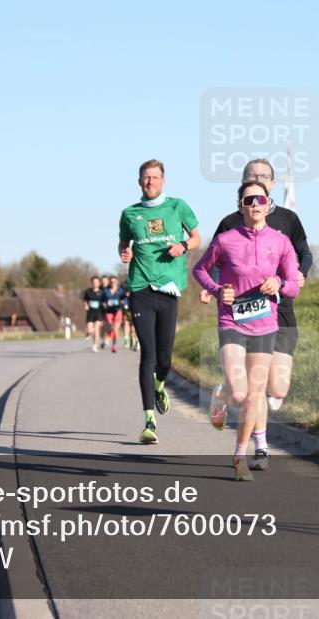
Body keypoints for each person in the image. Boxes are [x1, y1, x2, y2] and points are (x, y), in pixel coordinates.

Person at [201, 158, 313, 471]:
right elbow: (216, 263)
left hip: (279, 312)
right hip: (238, 315)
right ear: (242, 190)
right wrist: (212, 289)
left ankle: (234, 414)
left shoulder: (288, 220)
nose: (259, 181)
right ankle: (260, 447)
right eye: (252, 177)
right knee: (253, 390)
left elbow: (304, 254)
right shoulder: (229, 224)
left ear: (273, 185)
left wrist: (296, 276)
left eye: (264, 177)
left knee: (276, 389)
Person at [119, 159, 200, 444]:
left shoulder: (178, 207)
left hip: (168, 289)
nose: (150, 181)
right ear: (139, 181)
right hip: (141, 288)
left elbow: (196, 237)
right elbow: (123, 243)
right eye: (145, 177)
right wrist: (124, 253)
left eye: (154, 177)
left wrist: (183, 246)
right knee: (148, 353)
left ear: (163, 180)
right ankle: (149, 421)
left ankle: (159, 384)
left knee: (165, 358)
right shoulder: (129, 214)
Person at [102, 276, 126, 353]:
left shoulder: (120, 291)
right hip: (109, 311)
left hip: (117, 311)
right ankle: (107, 339)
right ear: (109, 282)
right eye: (111, 282)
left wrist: (123, 302)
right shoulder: (105, 291)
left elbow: (124, 298)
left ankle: (114, 345)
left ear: (117, 282)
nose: (113, 283)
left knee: (115, 329)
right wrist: (103, 304)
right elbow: (102, 300)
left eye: (114, 281)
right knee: (110, 328)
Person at [82, 276, 105, 352]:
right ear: (91, 283)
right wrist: (86, 305)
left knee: (96, 330)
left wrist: (104, 305)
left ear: (99, 283)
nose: (95, 284)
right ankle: (88, 333)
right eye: (93, 282)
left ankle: (95, 345)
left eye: (96, 282)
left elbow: (104, 301)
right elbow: (85, 300)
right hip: (90, 313)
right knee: (90, 330)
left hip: (98, 313)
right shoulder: (88, 291)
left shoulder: (102, 292)